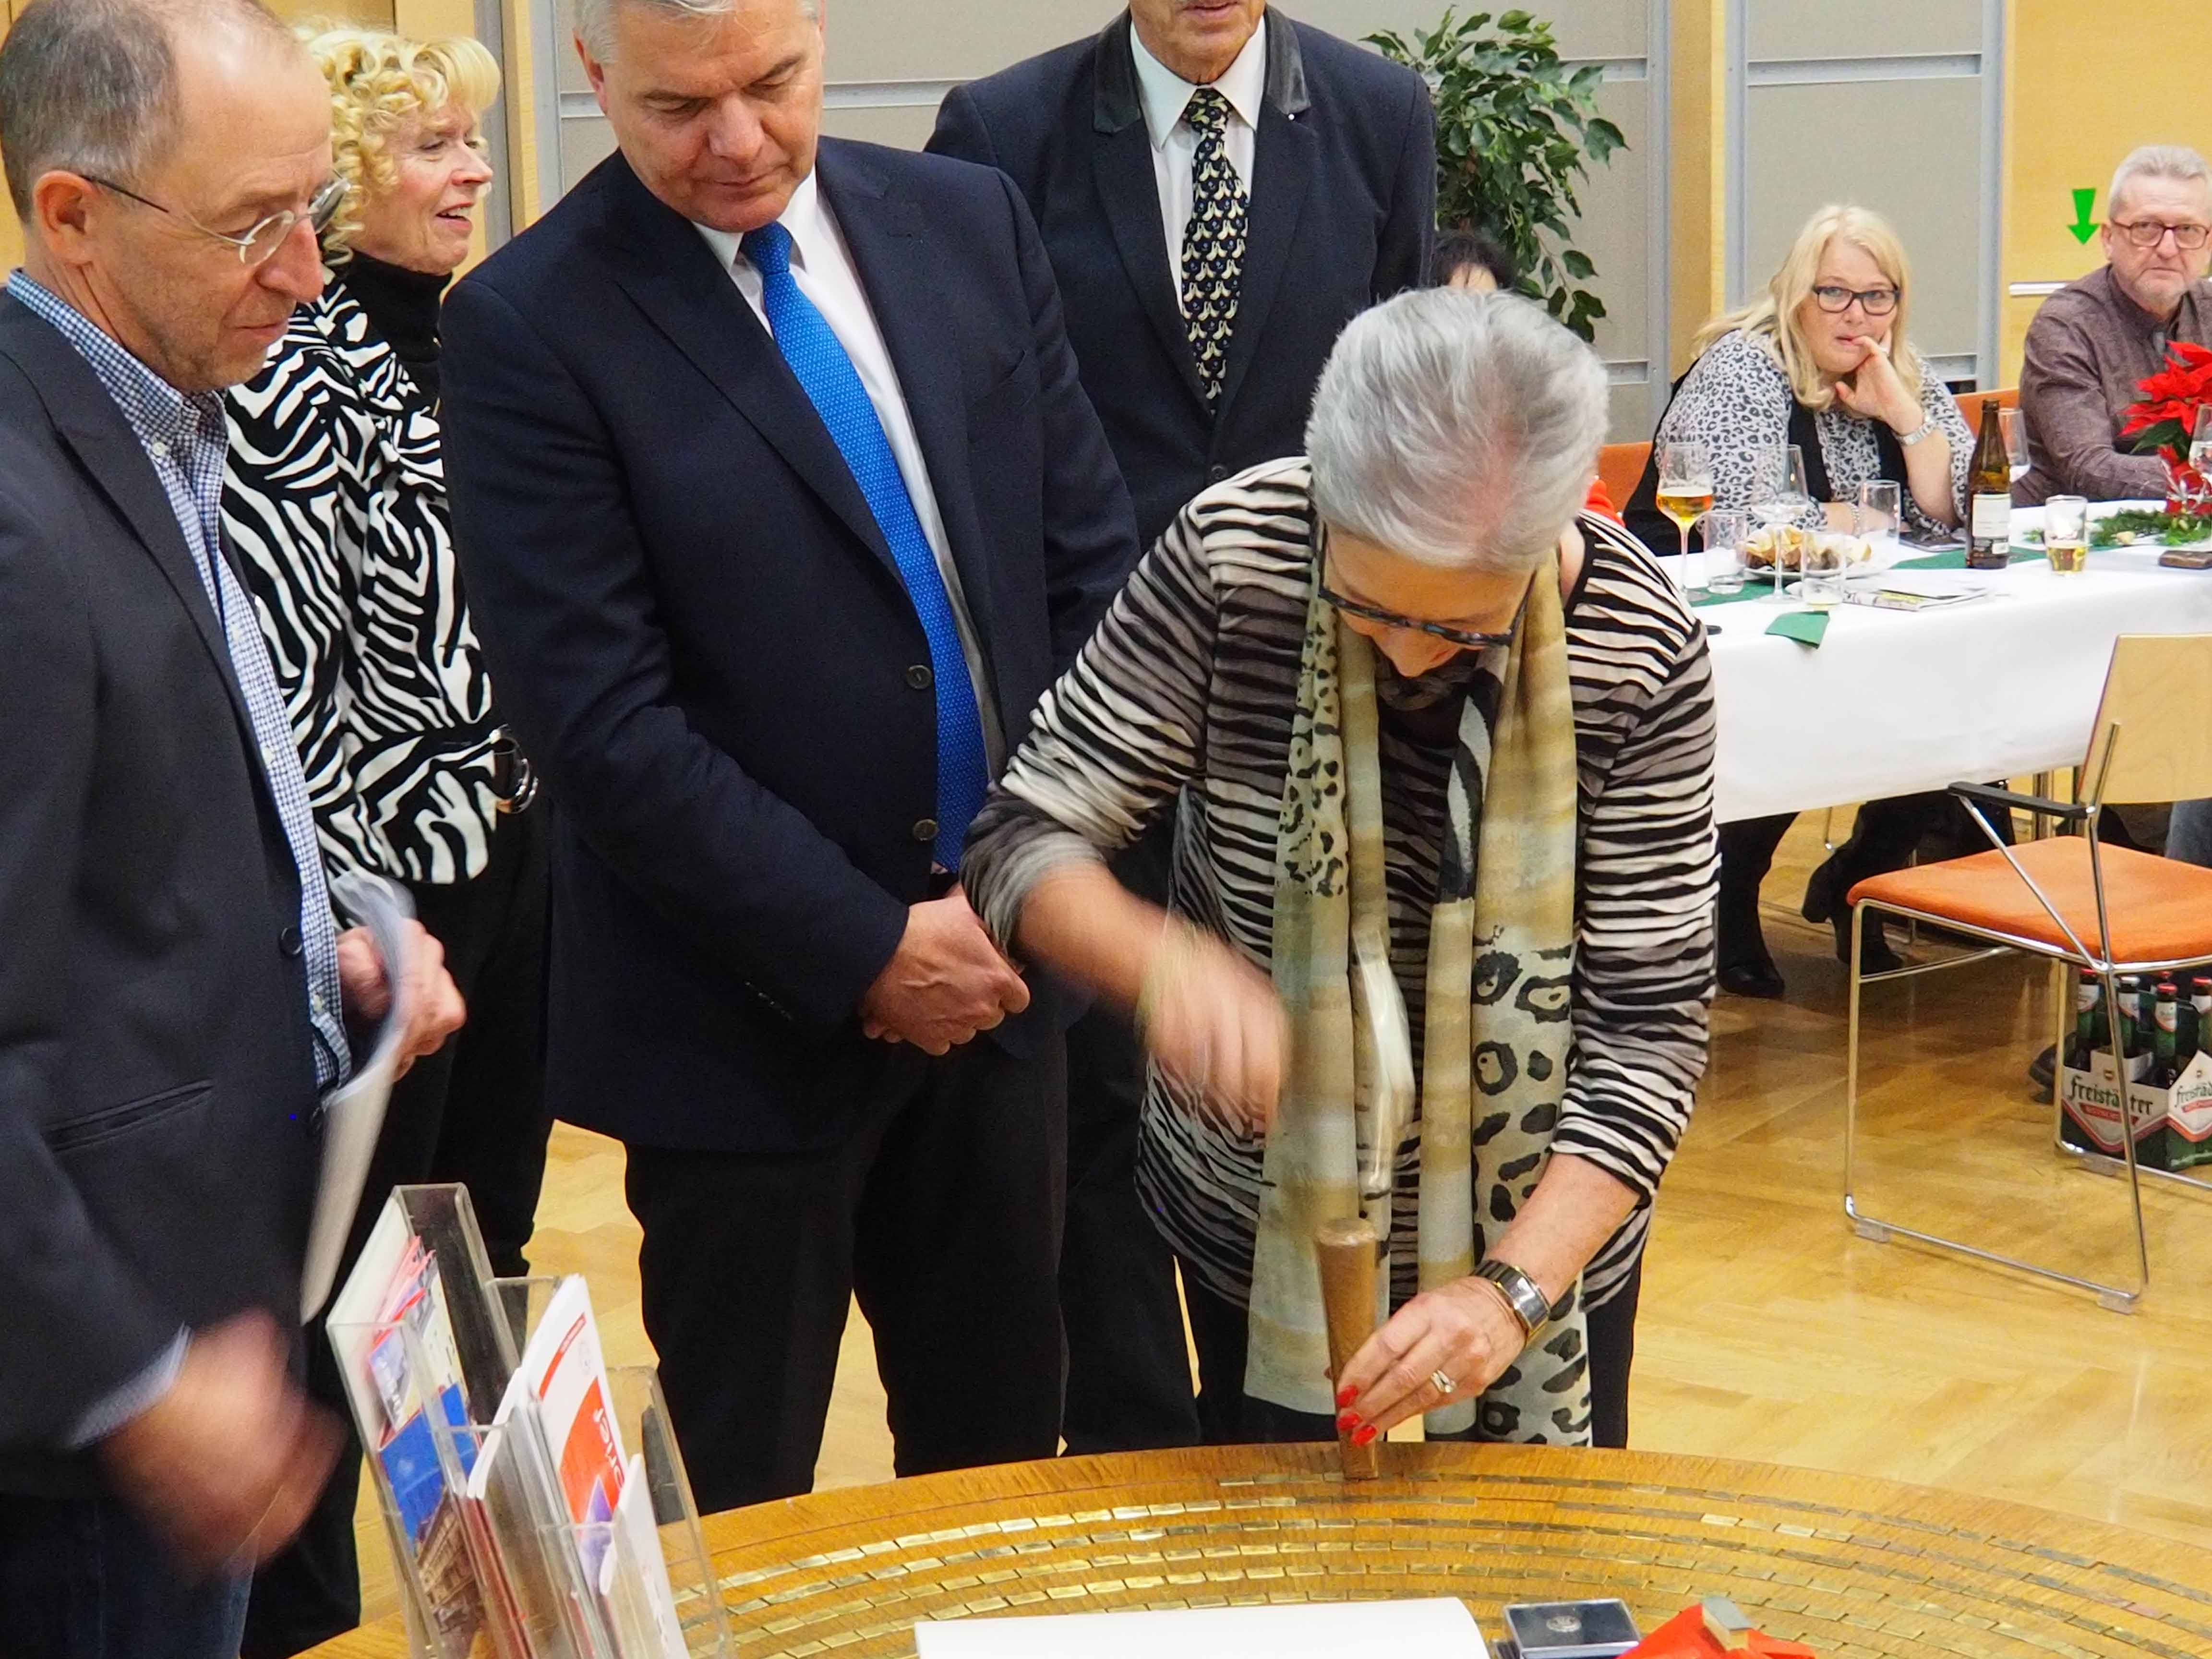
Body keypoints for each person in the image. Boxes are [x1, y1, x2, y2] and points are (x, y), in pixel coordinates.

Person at [438, 0, 1139, 1512]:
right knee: (742, 1504)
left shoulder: (967, 223)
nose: (739, 140)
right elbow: (603, 727)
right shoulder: (527, 324)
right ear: (594, 73)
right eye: (681, 106)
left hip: (1006, 993)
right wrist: (866, 945)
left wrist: (1039, 872)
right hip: (740, 1027)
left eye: (773, 82)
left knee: (1001, 1473)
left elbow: (1089, 576)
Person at [962, 288, 1717, 1453]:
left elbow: (1647, 1032)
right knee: (1288, 1536)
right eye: (1366, 609)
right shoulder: (1238, 557)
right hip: (1265, 1217)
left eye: (1458, 630)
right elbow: (1021, 835)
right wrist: (1161, 964)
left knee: (1530, 1555)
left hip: (1541, 1223)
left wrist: (1509, 1292)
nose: (1407, 658)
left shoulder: (1638, 645)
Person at [0, 0, 464, 1653]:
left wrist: (329, 946)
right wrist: (137, 1381)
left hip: (207, 1325)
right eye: (255, 225)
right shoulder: (17, 523)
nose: (309, 273)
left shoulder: (152, 421)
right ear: (73, 215)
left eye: (314, 209)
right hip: (91, 1423)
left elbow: (123, 848)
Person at [927, 0, 1434, 1455]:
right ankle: (1144, 1458)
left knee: (1298, 1084)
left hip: (1313, 716)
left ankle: (1283, 1427)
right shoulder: (1003, 131)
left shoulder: (1378, 114)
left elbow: (1402, 407)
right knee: (1096, 1107)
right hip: (1092, 713)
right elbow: (979, 437)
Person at [216, 28, 548, 1655]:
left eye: (470, 142)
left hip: (512, 848)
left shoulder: (477, 339)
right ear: (343, 179)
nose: (472, 171)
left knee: (486, 1239)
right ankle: (314, 1616)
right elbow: (290, 676)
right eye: (430, 146)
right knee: (353, 1271)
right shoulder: (297, 361)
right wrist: (358, 911)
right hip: (388, 890)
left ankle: (495, 1587)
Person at [1627, 204, 1973, 997]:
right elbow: (1740, 522)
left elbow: (1959, 506)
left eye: (1877, 297)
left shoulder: (1900, 367)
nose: (1857, 316)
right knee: (1801, 698)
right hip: (1717, 611)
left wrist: (1903, 413)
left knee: (1944, 687)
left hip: (1855, 607)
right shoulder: (1744, 368)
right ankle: (1732, 893)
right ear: (1795, 296)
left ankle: (1861, 875)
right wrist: (1860, 518)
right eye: (1834, 293)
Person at [2018, 145, 2212, 505]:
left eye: (2187, 230)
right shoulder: (2066, 325)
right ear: (2109, 239)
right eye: (2146, 228)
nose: (2168, 249)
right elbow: (2088, 468)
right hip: (2070, 526)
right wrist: (2201, 479)